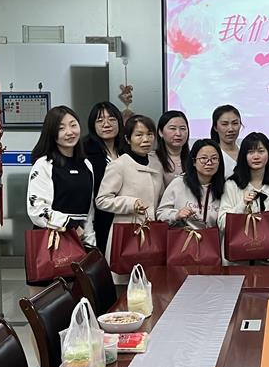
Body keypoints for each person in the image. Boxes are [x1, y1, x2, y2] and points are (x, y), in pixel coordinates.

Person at [95, 115, 164, 278]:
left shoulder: (156, 163)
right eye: (139, 135)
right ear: (128, 139)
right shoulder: (119, 165)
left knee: (153, 281)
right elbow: (101, 200)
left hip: (152, 234)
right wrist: (130, 204)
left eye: (149, 134)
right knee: (126, 283)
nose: (145, 139)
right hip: (127, 234)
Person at [27, 106, 96, 249]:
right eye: (61, 128)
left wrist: (90, 243)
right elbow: (37, 209)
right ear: (51, 133)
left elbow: (89, 212)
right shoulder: (44, 164)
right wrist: (71, 225)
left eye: (73, 125)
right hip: (51, 242)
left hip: (80, 241)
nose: (69, 132)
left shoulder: (86, 164)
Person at [217, 132, 269, 262]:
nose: (256, 156)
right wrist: (242, 205)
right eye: (250, 152)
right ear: (243, 156)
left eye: (261, 151)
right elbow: (222, 223)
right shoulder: (231, 185)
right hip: (237, 261)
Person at [83, 102, 125, 254]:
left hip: (124, 219)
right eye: (100, 120)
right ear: (92, 125)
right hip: (97, 221)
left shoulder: (126, 150)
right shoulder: (84, 151)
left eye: (112, 119)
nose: (106, 124)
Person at [157, 139, 225, 230]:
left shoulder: (225, 187)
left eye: (214, 158)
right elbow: (160, 214)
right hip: (183, 236)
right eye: (203, 158)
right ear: (194, 162)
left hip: (212, 237)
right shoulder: (179, 183)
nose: (209, 163)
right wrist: (176, 215)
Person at [155, 110, 190, 188]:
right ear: (160, 132)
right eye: (172, 128)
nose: (178, 133)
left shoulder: (194, 158)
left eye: (183, 128)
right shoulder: (153, 159)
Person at [210, 105, 242, 177]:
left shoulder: (245, 152)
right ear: (215, 127)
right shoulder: (212, 155)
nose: (230, 129)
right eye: (224, 124)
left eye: (235, 123)